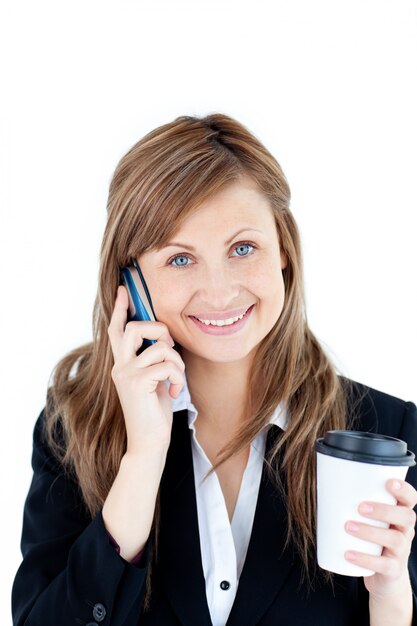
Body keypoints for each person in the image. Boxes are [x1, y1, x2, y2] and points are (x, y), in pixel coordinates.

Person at [11, 113, 417, 626]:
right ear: (132, 282)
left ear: (284, 252)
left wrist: (390, 597)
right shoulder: (72, 429)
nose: (220, 291)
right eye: (180, 260)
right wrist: (142, 458)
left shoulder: (386, 432)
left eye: (243, 248)